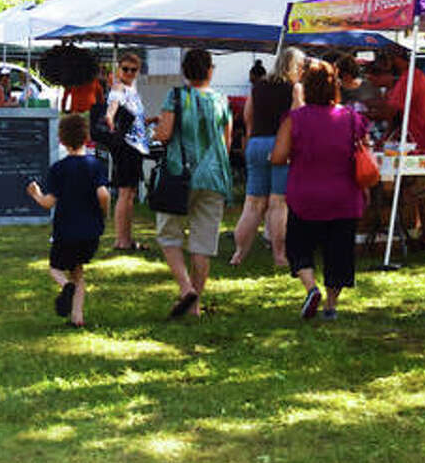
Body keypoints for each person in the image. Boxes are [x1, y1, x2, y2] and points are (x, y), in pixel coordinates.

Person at [270, 60, 366, 320]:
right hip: (344, 197)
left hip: (305, 195)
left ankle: (311, 287)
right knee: (339, 253)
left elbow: (278, 156)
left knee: (299, 247)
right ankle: (331, 306)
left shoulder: (295, 119)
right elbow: (363, 148)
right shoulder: (350, 117)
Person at [153, 48, 232, 318]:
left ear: (185, 71)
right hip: (214, 176)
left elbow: (163, 134)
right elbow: (226, 141)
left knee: (169, 234)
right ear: (210, 70)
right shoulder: (221, 99)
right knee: (203, 242)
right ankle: (195, 306)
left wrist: (156, 130)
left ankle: (186, 289)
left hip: (180, 174)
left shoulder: (176, 96)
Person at [27, 114, 111, 328]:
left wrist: (36, 194)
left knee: (56, 268)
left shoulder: (59, 169)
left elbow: (48, 202)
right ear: (86, 137)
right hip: (90, 231)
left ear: (61, 139)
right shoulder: (95, 165)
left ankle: (65, 286)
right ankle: (77, 317)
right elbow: (103, 195)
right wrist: (104, 214)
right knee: (78, 271)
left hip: (65, 231)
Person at [230, 46, 305, 266]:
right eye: (301, 67)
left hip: (256, 144)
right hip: (280, 146)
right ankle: (280, 255)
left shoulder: (258, 86)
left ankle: (238, 254)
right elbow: (297, 116)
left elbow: (247, 115)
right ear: (295, 66)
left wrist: (254, 136)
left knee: (252, 203)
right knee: (278, 203)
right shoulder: (295, 88)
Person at [379, 45, 425, 249]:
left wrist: (369, 111)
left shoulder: (411, 76)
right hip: (419, 141)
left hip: (424, 142)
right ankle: (424, 235)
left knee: (420, 191)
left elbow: (391, 109)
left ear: (396, 59)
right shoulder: (413, 75)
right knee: (419, 192)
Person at [106, 51, 153, 250]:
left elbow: (136, 119)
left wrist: (152, 120)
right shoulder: (118, 87)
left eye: (133, 70)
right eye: (125, 69)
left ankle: (126, 238)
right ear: (119, 69)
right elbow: (113, 108)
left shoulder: (132, 89)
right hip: (126, 145)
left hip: (135, 146)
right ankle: (121, 239)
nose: (129, 73)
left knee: (130, 192)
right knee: (125, 192)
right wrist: (110, 118)